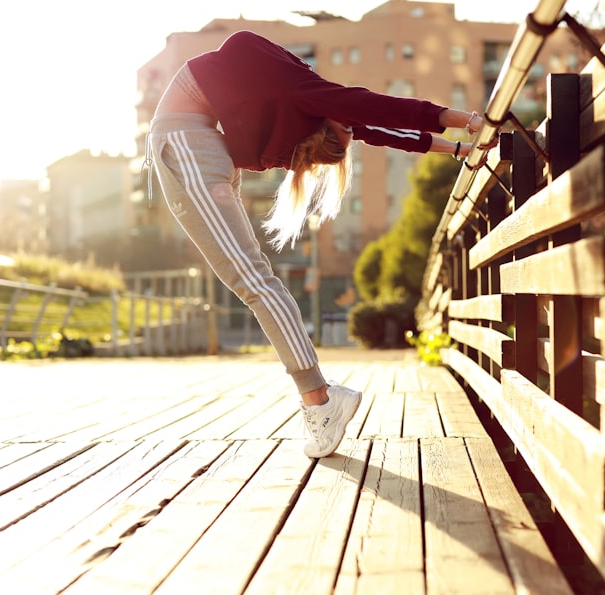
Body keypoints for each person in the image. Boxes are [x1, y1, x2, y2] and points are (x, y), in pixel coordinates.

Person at [145, 30, 492, 458]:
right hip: (195, 140)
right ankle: (319, 398)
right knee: (255, 279)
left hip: (187, 142)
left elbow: (377, 125)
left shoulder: (308, 104)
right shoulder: (306, 93)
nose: (350, 127)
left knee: (252, 280)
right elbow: (374, 111)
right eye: (344, 126)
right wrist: (464, 125)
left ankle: (320, 400)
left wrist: (461, 142)